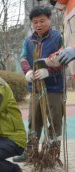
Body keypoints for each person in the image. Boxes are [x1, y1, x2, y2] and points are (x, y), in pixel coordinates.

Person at [13, 5, 63, 162]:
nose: (39, 25)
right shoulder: (29, 40)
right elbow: (22, 57)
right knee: (34, 120)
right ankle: (31, 151)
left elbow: (63, 59)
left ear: (49, 20)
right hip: (35, 87)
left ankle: (51, 154)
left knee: (54, 121)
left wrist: (50, 71)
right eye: (35, 22)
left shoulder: (57, 38)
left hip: (54, 87)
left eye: (42, 21)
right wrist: (27, 71)